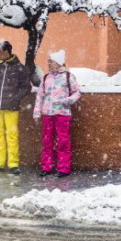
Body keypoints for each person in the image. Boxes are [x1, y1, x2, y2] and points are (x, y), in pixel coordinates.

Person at [33, 50, 81, 178]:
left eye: (51, 61)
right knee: (47, 141)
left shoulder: (68, 76)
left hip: (62, 114)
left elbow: (77, 92)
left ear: (58, 63)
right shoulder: (46, 78)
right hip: (47, 114)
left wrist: (67, 101)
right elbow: (40, 96)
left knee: (63, 141)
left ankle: (63, 168)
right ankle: (47, 167)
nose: (48, 64)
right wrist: (37, 112)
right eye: (48, 61)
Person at [0, 41, 31, 175]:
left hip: (12, 108)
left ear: (7, 52)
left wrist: (15, 99)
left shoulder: (20, 68)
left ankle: (13, 164)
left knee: (12, 136)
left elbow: (26, 87)